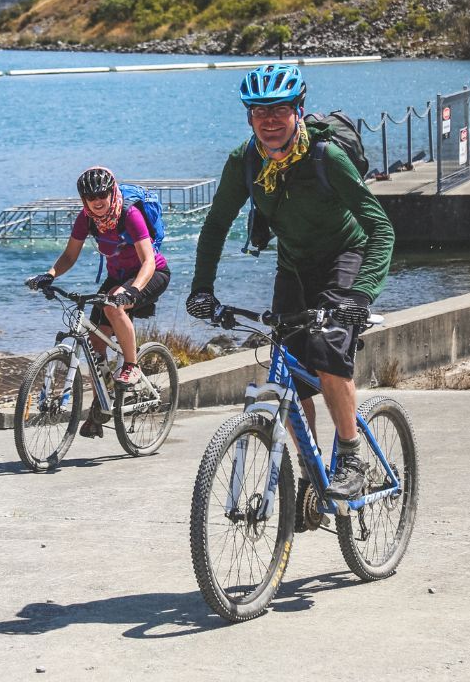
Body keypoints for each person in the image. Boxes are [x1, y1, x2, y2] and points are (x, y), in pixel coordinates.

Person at [185, 64, 394, 498]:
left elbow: (381, 228)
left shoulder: (326, 158)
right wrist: (201, 289)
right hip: (294, 266)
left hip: (344, 258)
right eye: (260, 111)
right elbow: (216, 225)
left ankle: (352, 457)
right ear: (249, 118)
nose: (270, 120)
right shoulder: (244, 161)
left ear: (299, 110)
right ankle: (309, 473)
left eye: (280, 109)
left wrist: (361, 295)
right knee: (288, 377)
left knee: (327, 350)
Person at [27, 167, 172, 437]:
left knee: (113, 306)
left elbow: (148, 261)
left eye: (102, 193)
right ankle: (101, 405)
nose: (97, 199)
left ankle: (131, 366)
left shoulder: (130, 214)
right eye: (90, 195)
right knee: (95, 343)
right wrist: (49, 275)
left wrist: (132, 291)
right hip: (117, 278)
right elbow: (69, 255)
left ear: (111, 191)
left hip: (150, 274)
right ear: (83, 199)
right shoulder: (87, 218)